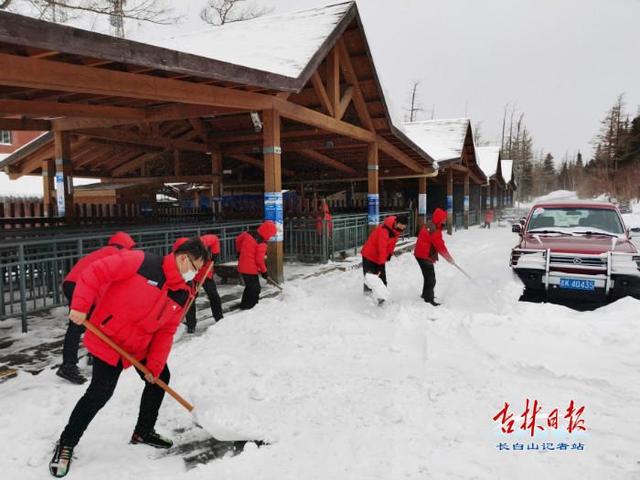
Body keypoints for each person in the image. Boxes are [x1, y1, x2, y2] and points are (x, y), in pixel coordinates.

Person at [48, 238, 209, 479]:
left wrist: (153, 365)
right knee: (100, 392)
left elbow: (165, 331)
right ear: (183, 258)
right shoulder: (141, 262)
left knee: (160, 377)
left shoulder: (181, 293)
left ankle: (143, 431)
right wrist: (81, 305)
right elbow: (96, 272)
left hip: (139, 345)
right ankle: (66, 443)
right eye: (195, 268)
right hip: (109, 338)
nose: (194, 275)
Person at [57, 231, 136, 385]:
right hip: (82, 287)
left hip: (71, 284)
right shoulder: (119, 255)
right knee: (78, 324)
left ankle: (94, 355)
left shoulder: (105, 251)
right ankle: (68, 365)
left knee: (93, 321)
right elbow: (104, 284)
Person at [180, 234, 224, 333]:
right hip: (193, 274)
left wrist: (216, 253)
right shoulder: (184, 253)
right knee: (190, 298)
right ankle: (191, 324)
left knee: (213, 295)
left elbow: (215, 239)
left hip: (206, 272)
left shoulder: (204, 241)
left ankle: (219, 318)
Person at [414, 208, 454, 306]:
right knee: (431, 279)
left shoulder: (431, 225)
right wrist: (449, 258)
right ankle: (429, 298)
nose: (445, 220)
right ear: (439, 219)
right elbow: (440, 247)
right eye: (444, 219)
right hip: (424, 256)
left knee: (428, 277)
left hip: (421, 254)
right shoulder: (434, 230)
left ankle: (426, 295)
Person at [360, 215, 408, 294]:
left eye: (404, 226)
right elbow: (381, 248)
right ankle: (367, 299)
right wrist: (381, 265)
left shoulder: (396, 230)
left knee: (382, 278)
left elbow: (392, 243)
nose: (402, 228)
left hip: (379, 257)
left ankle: (381, 298)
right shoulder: (384, 230)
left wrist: (389, 254)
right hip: (369, 255)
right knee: (370, 278)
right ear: (396, 223)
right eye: (401, 225)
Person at [235, 221, 278, 310]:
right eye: (271, 234)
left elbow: (238, 239)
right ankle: (251, 308)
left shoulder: (248, 233)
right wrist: (264, 272)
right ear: (268, 232)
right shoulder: (262, 242)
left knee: (249, 287)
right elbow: (259, 260)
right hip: (250, 269)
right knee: (255, 289)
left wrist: (239, 251)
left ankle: (244, 305)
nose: (270, 237)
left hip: (242, 266)